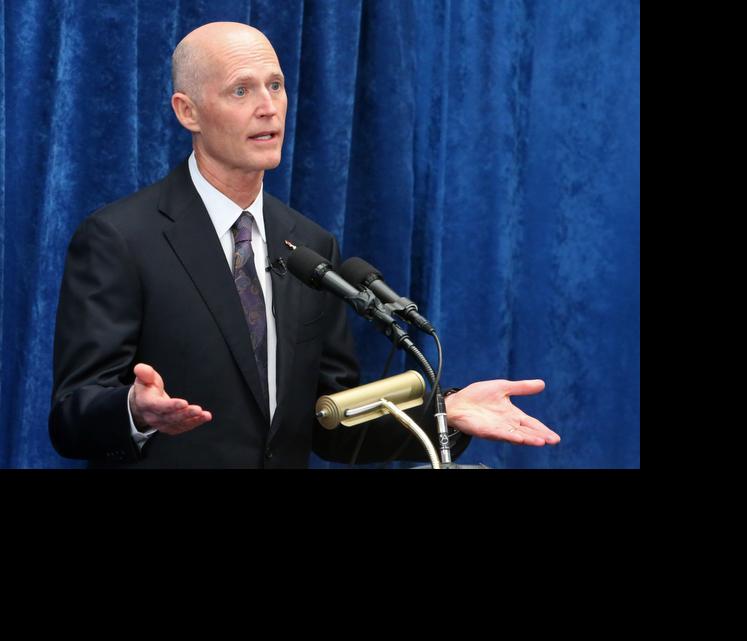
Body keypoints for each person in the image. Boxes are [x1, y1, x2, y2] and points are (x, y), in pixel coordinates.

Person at [48, 22, 560, 468]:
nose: (268, 107)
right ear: (188, 112)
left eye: (275, 85)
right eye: (241, 90)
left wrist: (447, 412)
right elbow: (71, 416)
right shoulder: (121, 238)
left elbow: (332, 423)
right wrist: (134, 412)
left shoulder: (309, 245)